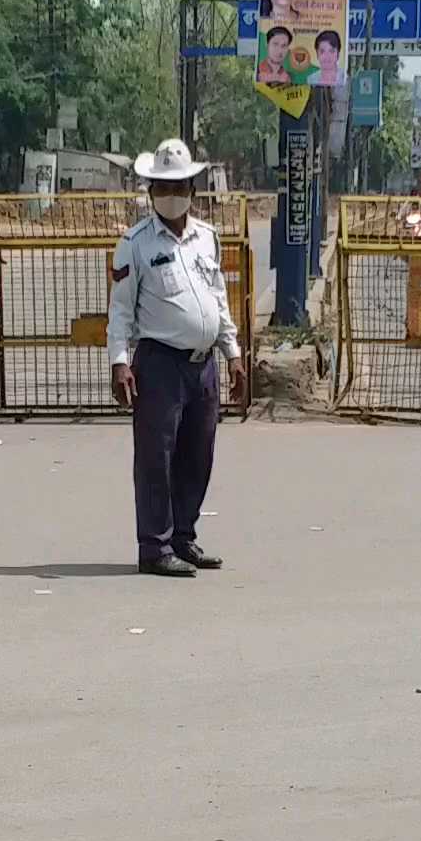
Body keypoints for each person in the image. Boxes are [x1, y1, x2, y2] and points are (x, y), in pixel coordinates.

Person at [109, 139, 247, 578]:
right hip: (160, 363)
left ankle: (184, 538)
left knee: (197, 455)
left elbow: (218, 299)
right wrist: (119, 361)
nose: (171, 194)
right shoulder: (134, 243)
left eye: (180, 185)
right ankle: (154, 546)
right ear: (150, 190)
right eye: (162, 186)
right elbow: (121, 308)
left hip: (202, 364)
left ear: (192, 187)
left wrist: (234, 353)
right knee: (156, 458)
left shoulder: (207, 238)